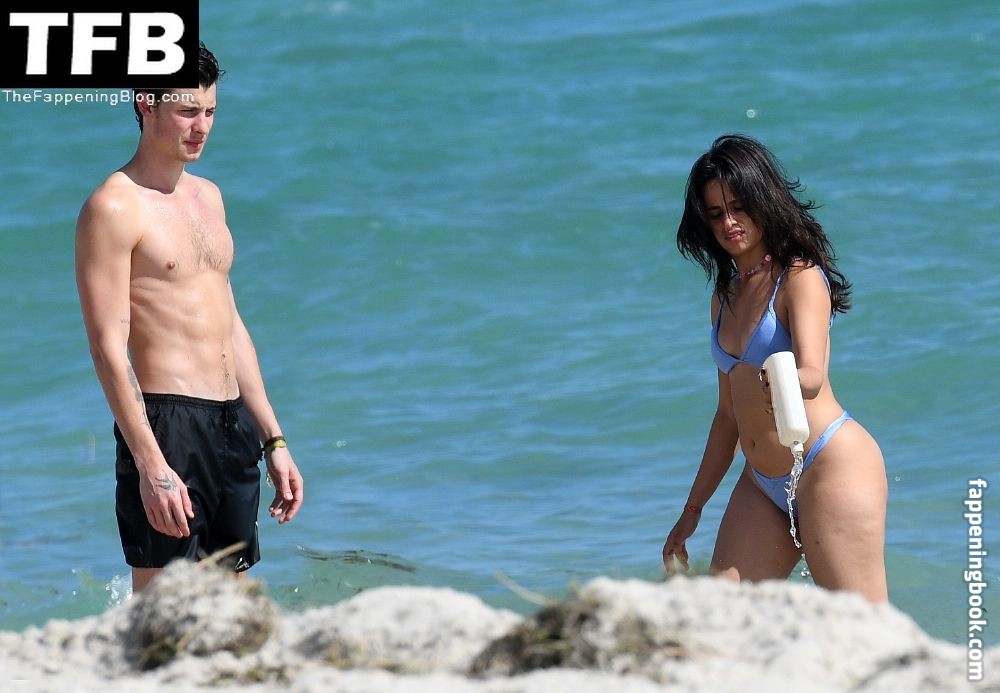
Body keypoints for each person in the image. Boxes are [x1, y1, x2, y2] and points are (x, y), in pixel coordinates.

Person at [76, 43, 304, 592]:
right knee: (163, 601)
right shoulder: (114, 206)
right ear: (146, 103)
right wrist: (151, 463)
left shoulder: (209, 198)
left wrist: (273, 438)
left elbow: (230, 323)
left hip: (232, 422)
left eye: (210, 112)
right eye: (186, 111)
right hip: (168, 423)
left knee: (232, 602)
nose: (201, 127)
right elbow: (107, 348)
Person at [661, 134, 887, 602]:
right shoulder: (723, 299)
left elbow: (813, 375)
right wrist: (692, 508)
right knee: (720, 614)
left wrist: (779, 378)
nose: (729, 222)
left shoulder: (799, 277)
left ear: (763, 202)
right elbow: (728, 416)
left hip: (828, 464)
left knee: (861, 623)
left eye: (739, 207)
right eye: (715, 213)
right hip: (762, 483)